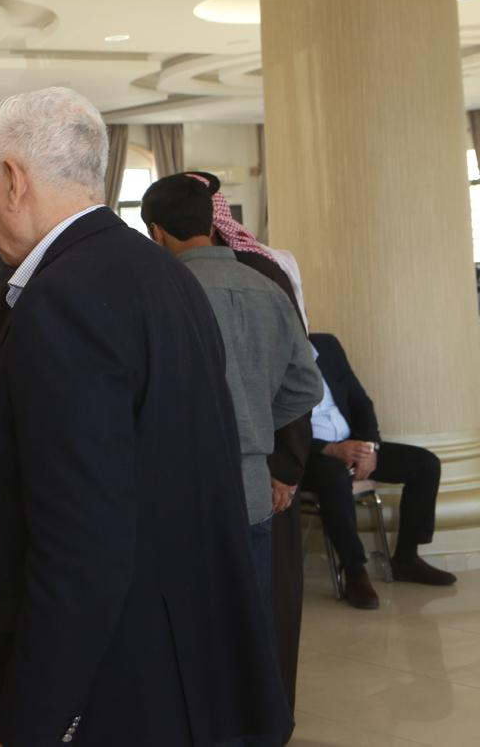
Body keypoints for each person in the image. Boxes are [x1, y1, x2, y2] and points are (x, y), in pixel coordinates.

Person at [0, 88, 291, 747]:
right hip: (172, 663)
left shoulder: (62, 299)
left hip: (111, 686)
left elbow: (80, 544)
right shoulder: (160, 272)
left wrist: (26, 722)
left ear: (14, 179)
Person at [141, 173, 323, 608]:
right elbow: (306, 386)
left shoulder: (157, 294)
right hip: (252, 491)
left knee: (193, 623)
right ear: (211, 224)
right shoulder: (270, 288)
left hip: (183, 490)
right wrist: (255, 420)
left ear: (156, 232)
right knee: (250, 618)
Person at [171, 170, 315, 712]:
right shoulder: (263, 278)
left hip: (231, 477)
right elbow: (303, 384)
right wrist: (265, 444)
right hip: (260, 474)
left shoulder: (185, 282)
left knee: (229, 613)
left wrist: (286, 466)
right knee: (255, 606)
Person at [305, 331, 456, 609]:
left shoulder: (326, 345)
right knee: (335, 478)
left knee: (425, 464)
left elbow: (360, 402)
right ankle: (355, 571)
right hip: (311, 455)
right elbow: (277, 427)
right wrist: (329, 449)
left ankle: (406, 559)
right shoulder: (272, 356)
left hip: (354, 443)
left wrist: (370, 447)